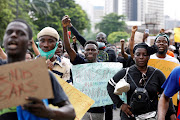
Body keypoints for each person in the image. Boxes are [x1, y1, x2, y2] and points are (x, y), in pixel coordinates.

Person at [1, 19, 76, 120]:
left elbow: (71, 112)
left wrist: (48, 112)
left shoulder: (41, 74)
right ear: (4, 39)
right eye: (9, 32)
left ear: (29, 43)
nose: (14, 35)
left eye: (21, 34)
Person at [62, 16, 107, 120]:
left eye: (93, 50)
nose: (90, 52)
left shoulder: (104, 67)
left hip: (99, 110)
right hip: (82, 108)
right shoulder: (80, 63)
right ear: (84, 52)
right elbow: (68, 49)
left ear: (97, 52)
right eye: (88, 50)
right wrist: (65, 28)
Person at [107, 42, 167, 120]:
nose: (141, 57)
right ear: (133, 56)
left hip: (152, 116)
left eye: (144, 55)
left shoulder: (157, 74)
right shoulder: (126, 72)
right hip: (130, 116)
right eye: (138, 54)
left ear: (148, 57)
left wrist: (171, 113)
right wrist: (120, 104)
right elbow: (110, 85)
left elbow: (166, 95)